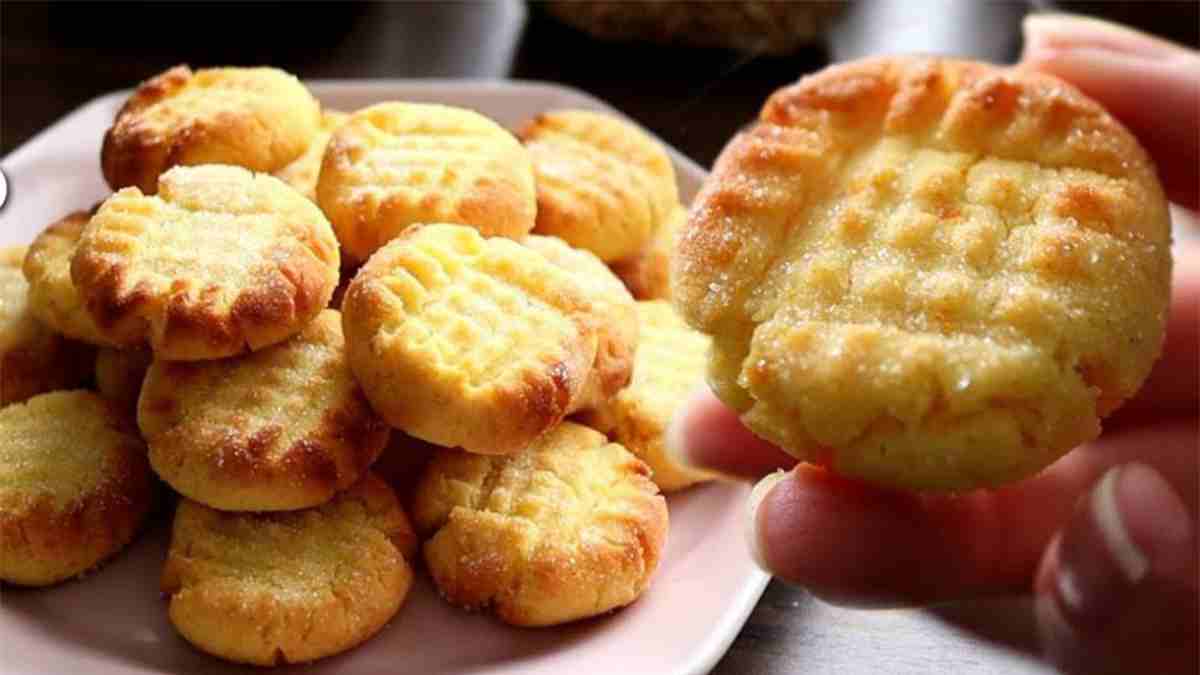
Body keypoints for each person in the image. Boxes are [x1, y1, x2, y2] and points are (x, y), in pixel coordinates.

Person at [667, 14, 1198, 675]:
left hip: (1027, 338)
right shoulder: (784, 219)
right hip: (803, 334)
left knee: (830, 535)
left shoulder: (1077, 168)